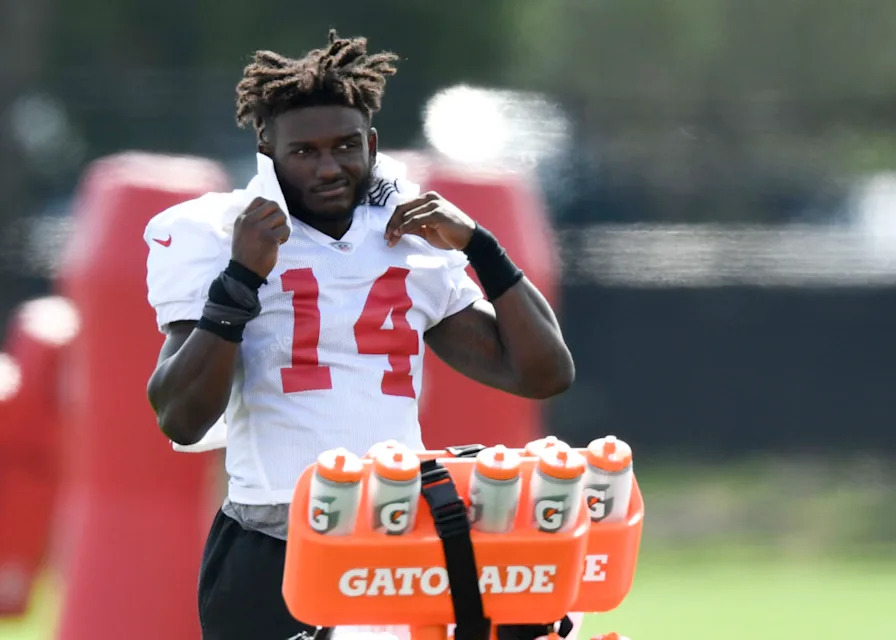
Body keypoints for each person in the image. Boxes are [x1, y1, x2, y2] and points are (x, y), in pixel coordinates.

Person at [144, 30, 574, 640]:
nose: (328, 167)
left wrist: (482, 246)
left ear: (372, 143)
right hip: (273, 537)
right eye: (305, 151)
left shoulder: (407, 236)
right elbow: (180, 415)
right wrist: (241, 278)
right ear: (266, 148)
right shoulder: (219, 235)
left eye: (346, 146)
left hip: (395, 533)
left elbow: (543, 373)